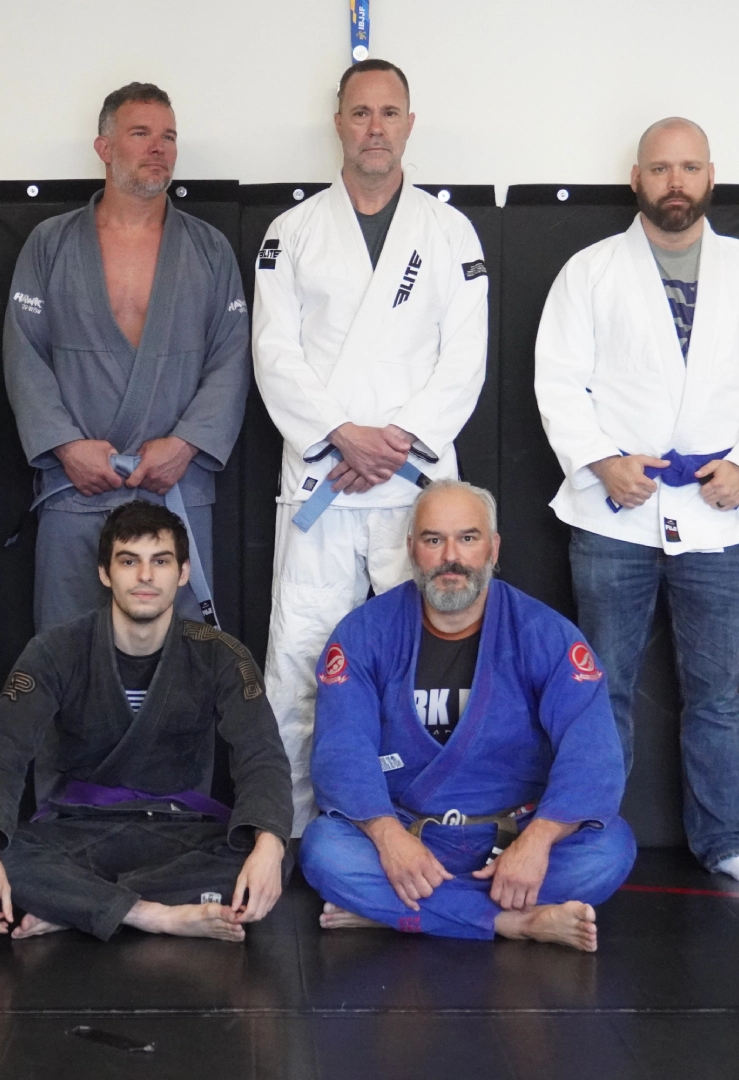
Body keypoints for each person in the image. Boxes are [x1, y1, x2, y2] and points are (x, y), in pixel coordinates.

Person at [534, 118, 739, 887]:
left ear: (711, 176)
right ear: (636, 178)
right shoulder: (589, 272)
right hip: (613, 511)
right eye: (661, 168)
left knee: (717, 696)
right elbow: (557, 380)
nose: (675, 182)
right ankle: (594, 839)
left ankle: (726, 840)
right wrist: (600, 461)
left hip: (719, 512)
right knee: (603, 689)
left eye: (689, 167)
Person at [252, 59, 489, 835]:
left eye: (389, 113)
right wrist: (340, 438)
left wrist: (397, 445)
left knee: (418, 664)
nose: (375, 127)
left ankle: (414, 824)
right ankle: (289, 832)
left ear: (410, 125)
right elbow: (273, 353)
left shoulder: (449, 232)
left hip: (412, 489)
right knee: (300, 661)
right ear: (339, 123)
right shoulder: (291, 232)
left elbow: (464, 360)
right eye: (361, 113)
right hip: (323, 482)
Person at [299, 481, 634, 950]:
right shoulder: (365, 633)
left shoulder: (545, 633)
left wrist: (537, 843)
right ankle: (511, 922)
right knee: (325, 851)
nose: (450, 557)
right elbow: (342, 752)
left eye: (468, 538)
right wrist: (387, 837)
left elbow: (593, 754)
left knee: (608, 851)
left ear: (494, 548)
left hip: (512, 840)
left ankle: (398, 913)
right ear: (412, 549)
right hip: (407, 836)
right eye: (433, 539)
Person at [0, 501, 293, 942]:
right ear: (104, 572)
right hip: (80, 831)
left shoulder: (220, 654)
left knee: (275, 851)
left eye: (161, 561)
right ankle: (154, 914)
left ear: (184, 572)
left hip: (179, 829)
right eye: (129, 561)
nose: (146, 576)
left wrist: (268, 846)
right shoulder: (55, 650)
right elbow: (3, 750)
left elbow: (261, 755)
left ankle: (80, 906)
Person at [4, 81, 250, 632]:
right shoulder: (50, 244)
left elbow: (231, 359)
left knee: (183, 651)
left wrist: (185, 446)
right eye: (140, 133)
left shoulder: (209, 249)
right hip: (78, 485)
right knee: (68, 646)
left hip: (174, 485)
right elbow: (25, 356)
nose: (157, 147)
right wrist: (67, 447)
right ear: (104, 146)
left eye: (168, 136)